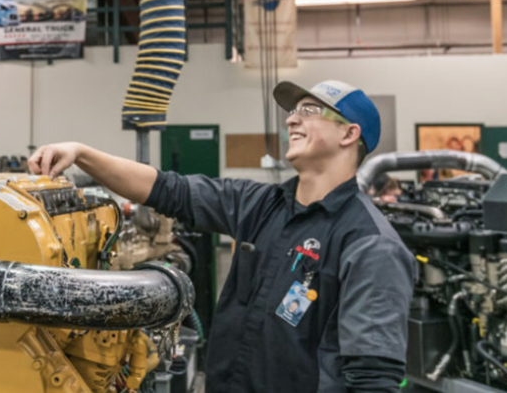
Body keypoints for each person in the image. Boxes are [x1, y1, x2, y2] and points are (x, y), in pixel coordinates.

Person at [30, 80, 416, 392]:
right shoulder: (261, 205)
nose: (292, 120)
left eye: (310, 111)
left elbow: (373, 379)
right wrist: (81, 153)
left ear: (349, 133)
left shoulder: (371, 245)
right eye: (292, 111)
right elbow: (167, 189)